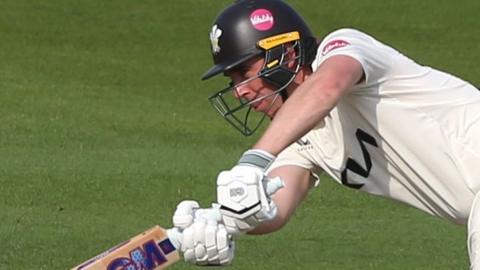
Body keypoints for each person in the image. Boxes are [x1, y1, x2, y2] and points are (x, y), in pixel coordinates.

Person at [169, 0, 480, 268]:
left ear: (287, 55)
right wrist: (223, 222)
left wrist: (253, 160)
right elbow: (274, 208)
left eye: (244, 73)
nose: (239, 91)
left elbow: (328, 87)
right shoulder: (301, 142)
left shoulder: (343, 48)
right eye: (231, 79)